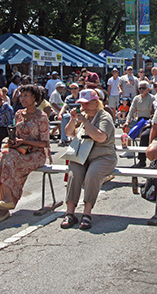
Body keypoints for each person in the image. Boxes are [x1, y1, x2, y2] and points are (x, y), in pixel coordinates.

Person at [0, 85, 52, 223]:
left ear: (34, 98)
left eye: (26, 96)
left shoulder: (41, 117)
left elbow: (45, 143)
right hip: (20, 151)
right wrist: (13, 142)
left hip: (36, 154)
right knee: (4, 156)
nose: (22, 99)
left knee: (9, 160)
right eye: (21, 96)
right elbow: (17, 135)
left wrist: (24, 141)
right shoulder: (19, 114)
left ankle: (6, 203)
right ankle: (6, 201)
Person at [60, 89, 117, 230]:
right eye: (81, 104)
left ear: (96, 103)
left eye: (86, 103)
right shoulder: (83, 116)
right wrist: (73, 120)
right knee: (73, 174)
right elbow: (68, 133)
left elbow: (100, 137)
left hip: (103, 156)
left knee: (92, 174)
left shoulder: (104, 117)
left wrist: (85, 122)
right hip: (83, 156)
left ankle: (87, 213)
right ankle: (70, 212)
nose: (83, 107)